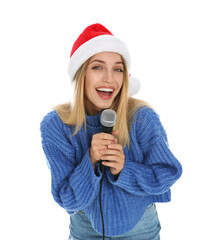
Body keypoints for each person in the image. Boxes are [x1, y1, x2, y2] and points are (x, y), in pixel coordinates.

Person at [40, 23, 182, 240]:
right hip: (84, 229)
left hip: (140, 229)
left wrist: (124, 170)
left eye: (118, 69)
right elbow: (66, 197)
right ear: (81, 74)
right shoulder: (56, 125)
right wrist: (90, 160)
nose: (109, 78)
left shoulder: (141, 117)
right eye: (97, 67)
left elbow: (168, 172)